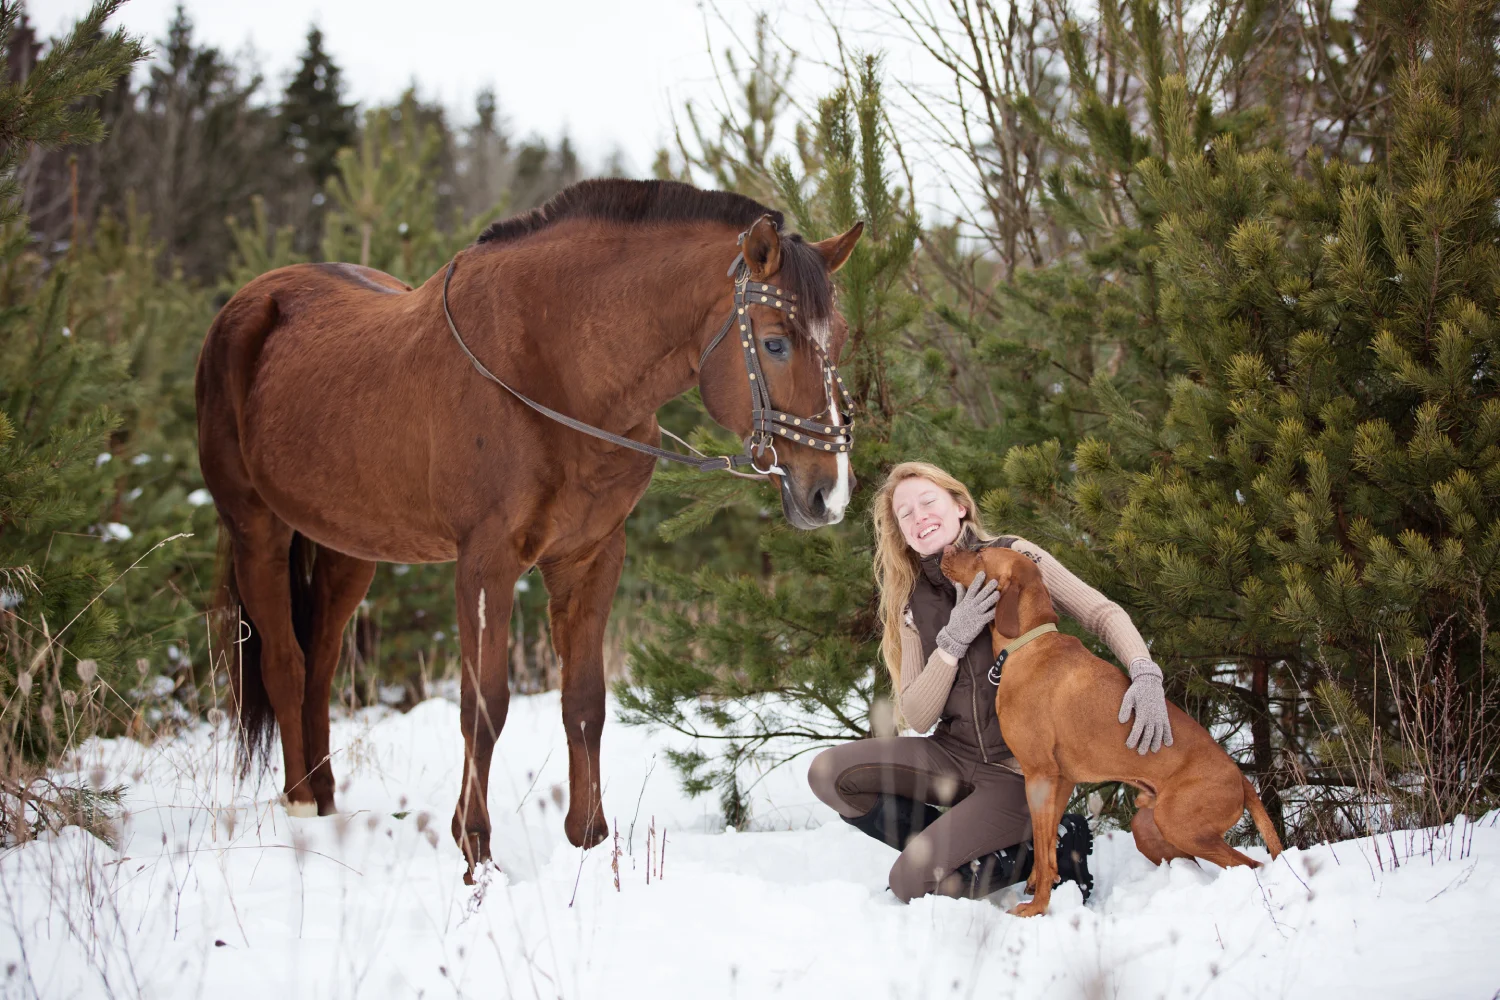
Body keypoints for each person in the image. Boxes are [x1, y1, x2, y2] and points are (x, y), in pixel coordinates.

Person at [808, 462, 1173, 902]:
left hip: (1018, 773)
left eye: (928, 502)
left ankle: (1053, 843)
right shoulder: (911, 601)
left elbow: (1101, 612)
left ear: (960, 506)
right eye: (905, 513)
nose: (918, 516)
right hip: (951, 754)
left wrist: (1144, 670)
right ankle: (974, 845)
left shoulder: (1012, 558)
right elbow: (919, 715)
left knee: (910, 884)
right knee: (828, 774)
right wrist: (951, 642)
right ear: (900, 531)